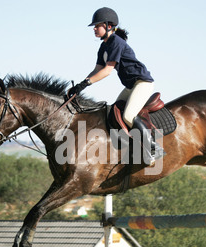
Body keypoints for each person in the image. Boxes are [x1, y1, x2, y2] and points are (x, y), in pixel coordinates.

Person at [68, 7, 165, 165]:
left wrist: (85, 84)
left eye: (97, 25)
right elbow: (97, 69)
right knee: (114, 112)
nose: (94, 28)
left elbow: (107, 71)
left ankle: (154, 147)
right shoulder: (104, 46)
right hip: (130, 86)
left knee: (128, 116)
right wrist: (80, 85)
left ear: (108, 25)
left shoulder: (116, 42)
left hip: (142, 83)